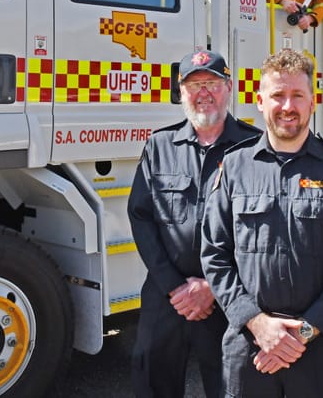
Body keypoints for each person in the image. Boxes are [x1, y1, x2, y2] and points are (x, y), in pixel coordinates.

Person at [201, 48, 323, 396]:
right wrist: (257, 323)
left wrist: (304, 333)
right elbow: (214, 255)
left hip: (319, 349)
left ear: (313, 102)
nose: (287, 106)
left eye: (298, 95)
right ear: (259, 101)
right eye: (278, 95)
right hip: (250, 348)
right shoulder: (234, 167)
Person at [128, 49, 261, 398]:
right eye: (194, 85)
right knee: (152, 380)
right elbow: (141, 217)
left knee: (232, 386)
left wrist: (211, 287)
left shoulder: (253, 147)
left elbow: (261, 231)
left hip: (229, 296)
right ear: (181, 92)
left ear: (228, 88)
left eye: (212, 84)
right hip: (167, 295)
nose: (204, 93)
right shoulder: (159, 146)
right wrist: (175, 287)